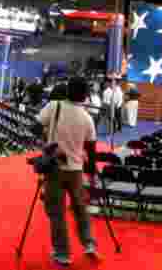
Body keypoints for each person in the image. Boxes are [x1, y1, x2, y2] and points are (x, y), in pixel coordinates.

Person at [38, 77, 100, 266]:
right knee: (81, 209)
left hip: (54, 169)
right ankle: (89, 244)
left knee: (56, 213)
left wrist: (49, 145)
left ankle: (62, 254)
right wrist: (91, 175)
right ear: (85, 96)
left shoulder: (53, 106)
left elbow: (34, 127)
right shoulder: (87, 118)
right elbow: (91, 149)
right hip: (76, 171)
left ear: (67, 91)